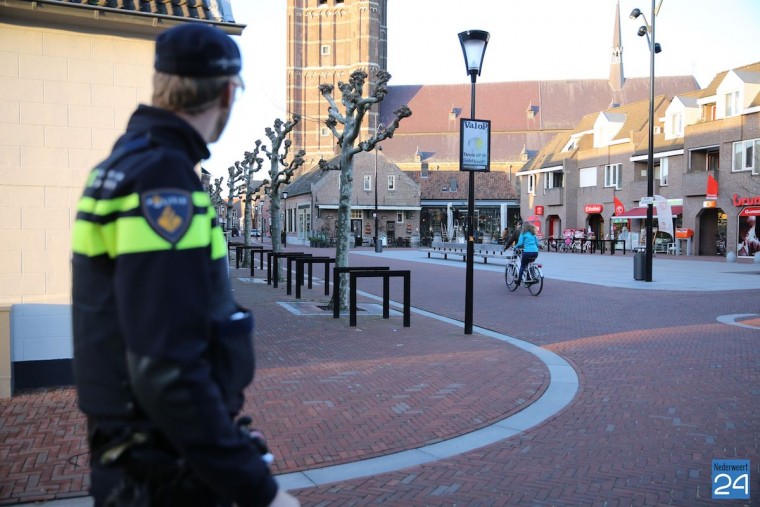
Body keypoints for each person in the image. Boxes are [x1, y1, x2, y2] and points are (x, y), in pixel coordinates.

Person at [71, 23, 299, 507]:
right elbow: (166, 363)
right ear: (225, 93)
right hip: (163, 468)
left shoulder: (122, 166)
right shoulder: (163, 181)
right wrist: (255, 487)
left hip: (142, 454)